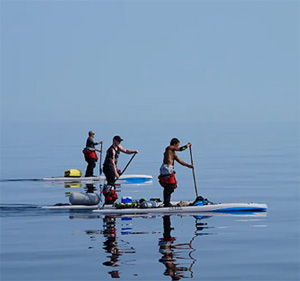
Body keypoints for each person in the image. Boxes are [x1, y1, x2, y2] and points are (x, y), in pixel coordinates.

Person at [102, 136, 138, 204]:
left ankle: (111, 198)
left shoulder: (118, 147)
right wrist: (116, 173)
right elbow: (112, 163)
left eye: (120, 141)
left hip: (112, 167)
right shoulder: (111, 150)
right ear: (114, 140)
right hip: (108, 168)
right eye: (118, 141)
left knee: (113, 182)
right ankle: (108, 200)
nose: (119, 142)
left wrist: (133, 152)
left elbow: (126, 151)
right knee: (111, 183)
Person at [159, 138, 193, 207]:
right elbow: (181, 149)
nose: (177, 147)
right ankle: (166, 203)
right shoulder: (169, 148)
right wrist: (187, 145)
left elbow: (180, 161)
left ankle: (166, 202)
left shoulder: (172, 153)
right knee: (170, 185)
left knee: (170, 186)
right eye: (177, 145)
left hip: (168, 169)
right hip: (167, 168)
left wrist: (189, 166)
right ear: (174, 144)